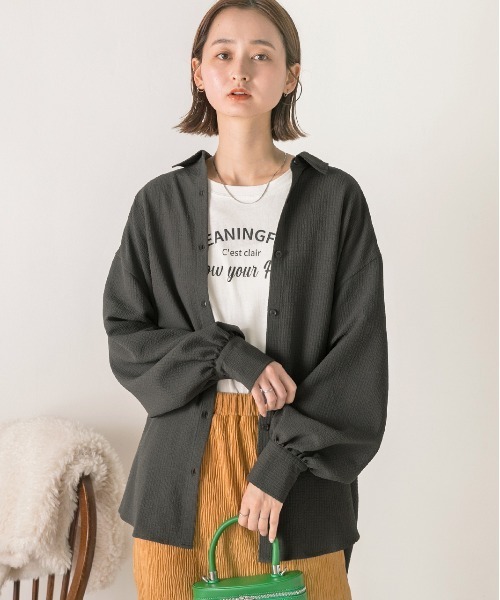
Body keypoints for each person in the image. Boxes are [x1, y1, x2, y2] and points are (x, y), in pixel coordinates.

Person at [102, 1, 389, 598]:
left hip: (299, 481)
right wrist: (229, 354)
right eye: (223, 54)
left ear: (290, 76)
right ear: (198, 72)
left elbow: (358, 357)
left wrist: (282, 464)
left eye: (261, 55)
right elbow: (128, 338)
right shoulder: (159, 204)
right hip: (177, 487)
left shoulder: (335, 200)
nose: (240, 70)